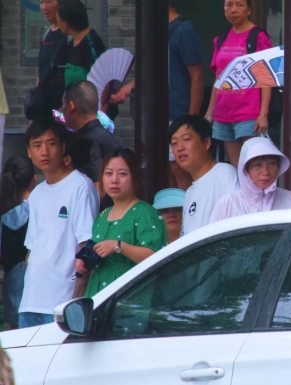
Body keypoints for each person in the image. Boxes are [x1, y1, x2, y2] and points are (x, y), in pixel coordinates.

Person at [110, 1, 202, 190]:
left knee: (179, 169)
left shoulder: (184, 29)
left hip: (178, 113)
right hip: (155, 116)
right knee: (163, 169)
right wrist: (128, 88)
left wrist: (191, 119)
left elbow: (197, 76)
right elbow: (153, 70)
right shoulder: (153, 30)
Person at [19, 120, 98, 328]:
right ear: (29, 152)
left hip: (61, 301)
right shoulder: (37, 193)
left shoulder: (80, 186)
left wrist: (75, 299)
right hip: (30, 301)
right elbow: (32, 249)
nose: (44, 151)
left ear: (63, 146)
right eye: (37, 145)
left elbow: (86, 246)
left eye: (51, 143)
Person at [79, 149, 167, 297]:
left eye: (122, 173)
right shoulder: (102, 215)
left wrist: (118, 246)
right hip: (97, 297)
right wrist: (85, 260)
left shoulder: (145, 213)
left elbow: (155, 256)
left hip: (129, 302)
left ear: (135, 177)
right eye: (108, 173)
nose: (114, 180)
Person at [205, 0, 272, 166]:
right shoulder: (220, 39)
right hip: (223, 113)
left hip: (248, 113)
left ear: (249, 10)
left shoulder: (257, 37)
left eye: (239, 5)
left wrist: (263, 114)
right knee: (237, 167)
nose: (233, 10)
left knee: (254, 164)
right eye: (229, 5)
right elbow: (218, 79)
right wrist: (209, 113)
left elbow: (266, 77)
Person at [169, 115, 239, 235]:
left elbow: (237, 221)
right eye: (174, 143)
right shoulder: (189, 193)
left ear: (206, 143)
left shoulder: (224, 173)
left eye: (186, 139)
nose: (179, 147)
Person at [211, 137, 291, 221]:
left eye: (272, 164)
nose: (266, 172)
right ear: (245, 169)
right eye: (257, 165)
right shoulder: (227, 205)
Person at [62, 80, 121, 186]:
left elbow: (97, 185)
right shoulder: (109, 137)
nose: (62, 109)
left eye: (63, 105)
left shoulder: (87, 141)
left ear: (71, 106)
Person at [0, 156, 36, 329]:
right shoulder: (39, 209)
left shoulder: (5, 214)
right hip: (35, 289)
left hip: (11, 287)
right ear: (34, 179)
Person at [31, 0, 68, 122]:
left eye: (49, 2)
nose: (44, 7)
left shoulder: (69, 35)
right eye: (41, 2)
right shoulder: (46, 34)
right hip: (44, 104)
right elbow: (41, 70)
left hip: (64, 104)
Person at [56, 0, 106, 87]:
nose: (57, 23)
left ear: (66, 22)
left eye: (58, 19)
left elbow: (101, 82)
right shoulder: (71, 42)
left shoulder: (91, 43)